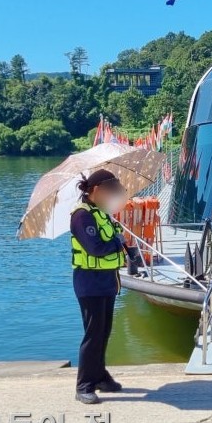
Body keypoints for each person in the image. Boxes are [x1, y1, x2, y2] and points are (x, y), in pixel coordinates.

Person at [70, 169, 129, 405]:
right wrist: (117, 243)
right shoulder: (82, 216)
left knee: (104, 332)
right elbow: (95, 248)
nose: (113, 195)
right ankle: (84, 385)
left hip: (107, 281)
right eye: (110, 190)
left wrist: (127, 247)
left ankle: (101, 376)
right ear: (96, 190)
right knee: (93, 334)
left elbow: (116, 240)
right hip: (90, 282)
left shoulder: (102, 214)